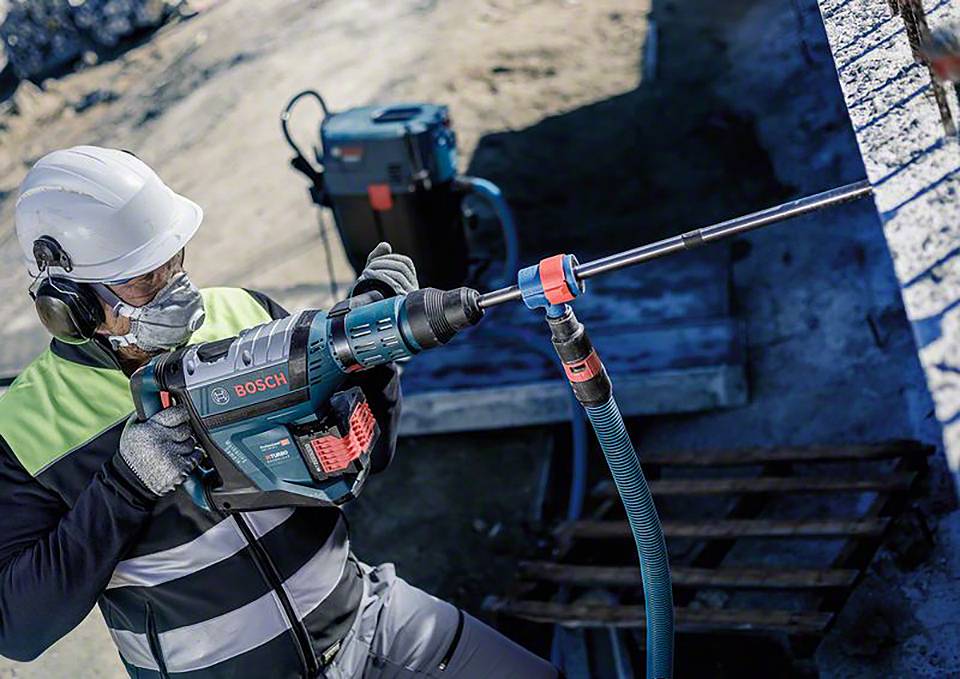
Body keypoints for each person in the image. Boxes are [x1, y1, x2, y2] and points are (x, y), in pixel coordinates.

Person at [0, 146, 558, 679]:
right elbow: (19, 628)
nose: (176, 289)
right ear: (66, 301)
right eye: (146, 279)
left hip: (367, 621)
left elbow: (366, 458)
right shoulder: (26, 430)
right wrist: (126, 486)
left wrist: (371, 360)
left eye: (175, 263)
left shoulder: (242, 314)